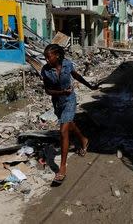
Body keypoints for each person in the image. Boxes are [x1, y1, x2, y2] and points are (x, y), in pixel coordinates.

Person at [41, 44, 98, 184]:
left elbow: (76, 76)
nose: (46, 60)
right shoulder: (45, 71)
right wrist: (61, 92)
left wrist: (90, 86)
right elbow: (48, 91)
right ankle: (84, 140)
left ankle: (62, 168)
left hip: (70, 100)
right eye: (45, 58)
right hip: (58, 102)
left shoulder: (67, 64)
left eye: (49, 57)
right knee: (69, 123)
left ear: (57, 56)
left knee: (63, 131)